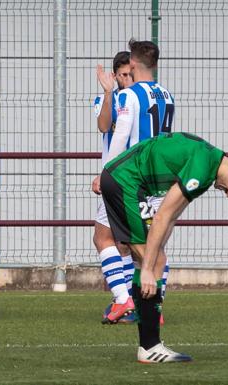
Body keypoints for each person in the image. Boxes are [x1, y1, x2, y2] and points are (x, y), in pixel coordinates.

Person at [100, 132, 228, 363]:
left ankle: (150, 345)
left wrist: (155, 255)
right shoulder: (202, 168)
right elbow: (162, 216)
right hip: (124, 181)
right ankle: (149, 348)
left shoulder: (208, 167)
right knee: (152, 263)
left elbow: (171, 217)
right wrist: (149, 267)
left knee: (156, 259)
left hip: (125, 180)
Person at [98, 39, 175, 324]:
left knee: (103, 236)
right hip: (159, 180)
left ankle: (124, 300)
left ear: (133, 63)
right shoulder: (167, 95)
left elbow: (121, 136)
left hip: (131, 179)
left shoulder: (130, 95)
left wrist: (106, 173)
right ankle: (154, 307)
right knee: (154, 246)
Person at [91, 51, 136, 324]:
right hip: (138, 180)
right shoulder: (111, 98)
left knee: (104, 238)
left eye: (130, 73)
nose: (126, 79)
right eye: (122, 75)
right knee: (126, 244)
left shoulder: (136, 99)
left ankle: (124, 299)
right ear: (115, 76)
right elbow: (103, 125)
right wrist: (108, 94)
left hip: (120, 179)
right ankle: (130, 299)